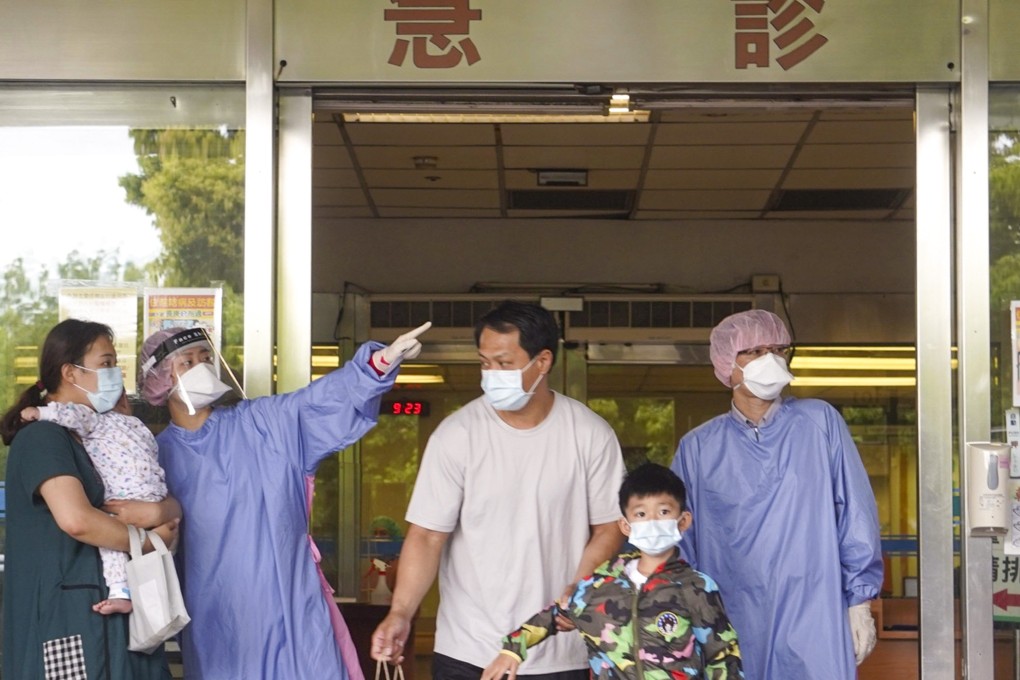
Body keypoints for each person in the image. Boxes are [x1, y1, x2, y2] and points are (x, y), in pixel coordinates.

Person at [136, 321, 430, 680]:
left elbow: (315, 403)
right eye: (187, 362)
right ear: (160, 380)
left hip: (290, 608)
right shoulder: (155, 458)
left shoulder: (264, 425)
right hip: (217, 621)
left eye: (206, 358)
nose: (202, 368)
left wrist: (376, 367)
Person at [370, 300, 627, 680]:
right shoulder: (457, 435)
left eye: (504, 364)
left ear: (542, 362)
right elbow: (426, 536)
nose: (491, 374)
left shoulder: (589, 434)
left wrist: (578, 589)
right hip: (467, 649)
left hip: (557, 650)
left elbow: (608, 527)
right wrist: (401, 613)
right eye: (484, 362)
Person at [669, 309, 883, 680]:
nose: (768, 359)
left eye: (776, 349)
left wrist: (858, 600)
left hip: (814, 613)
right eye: (752, 352)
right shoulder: (699, 448)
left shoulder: (820, 424)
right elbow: (679, 541)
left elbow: (855, 512)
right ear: (726, 365)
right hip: (729, 616)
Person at [0, 318, 179, 680]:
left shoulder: (100, 434)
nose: (116, 373)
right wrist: (151, 541)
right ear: (70, 372)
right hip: (69, 619)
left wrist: (161, 510)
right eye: (107, 363)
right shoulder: (43, 438)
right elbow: (77, 520)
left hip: (114, 621)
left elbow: (156, 496)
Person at [480, 463, 743, 680]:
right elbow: (552, 616)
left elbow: (723, 654)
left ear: (682, 521)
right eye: (641, 514)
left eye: (663, 511)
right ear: (626, 526)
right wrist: (512, 651)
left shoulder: (696, 587)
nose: (652, 521)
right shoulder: (598, 586)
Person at [21, 391, 169, 615]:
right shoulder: (113, 423)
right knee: (129, 550)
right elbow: (73, 414)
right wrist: (42, 412)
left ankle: (130, 594)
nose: (123, 400)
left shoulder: (125, 425)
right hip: (140, 497)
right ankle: (133, 593)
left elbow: (74, 415)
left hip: (133, 498)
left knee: (118, 546)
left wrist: (41, 413)